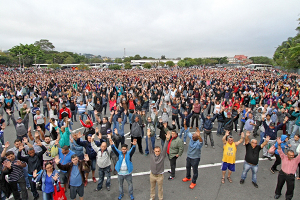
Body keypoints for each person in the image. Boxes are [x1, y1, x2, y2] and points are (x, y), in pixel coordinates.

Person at [148, 129, 170, 200]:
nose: (157, 152)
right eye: (156, 151)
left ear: (160, 152)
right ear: (154, 151)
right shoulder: (151, 154)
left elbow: (165, 147)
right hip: (152, 175)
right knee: (152, 187)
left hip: (160, 176)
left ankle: (160, 198)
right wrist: (148, 137)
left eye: (158, 151)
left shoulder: (162, 156)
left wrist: (167, 140)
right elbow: (150, 145)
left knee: (160, 189)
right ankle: (152, 197)